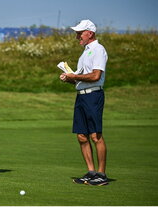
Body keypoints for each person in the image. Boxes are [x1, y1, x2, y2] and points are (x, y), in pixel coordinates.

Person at [60, 20, 108, 186]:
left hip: (94, 96)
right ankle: (91, 172)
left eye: (80, 33)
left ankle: (101, 174)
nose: (77, 36)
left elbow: (95, 76)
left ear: (90, 33)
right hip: (81, 96)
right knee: (81, 136)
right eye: (77, 33)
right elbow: (81, 80)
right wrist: (70, 79)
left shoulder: (98, 50)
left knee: (95, 135)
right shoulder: (85, 52)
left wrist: (75, 77)